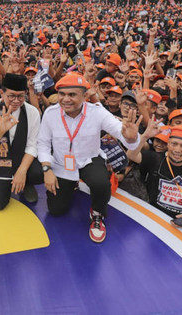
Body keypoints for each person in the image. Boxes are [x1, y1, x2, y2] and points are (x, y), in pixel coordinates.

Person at [37, 73, 141, 243]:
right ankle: (71, 184)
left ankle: (98, 214)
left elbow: (121, 133)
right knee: (56, 210)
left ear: (84, 96)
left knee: (101, 185)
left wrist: (129, 137)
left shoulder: (98, 113)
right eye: (62, 94)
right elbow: (42, 144)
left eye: (72, 95)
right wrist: (47, 169)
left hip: (89, 159)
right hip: (62, 163)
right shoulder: (51, 113)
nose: (66, 99)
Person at [127, 121, 182, 228]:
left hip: (180, 224)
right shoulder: (156, 158)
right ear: (168, 143)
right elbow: (131, 155)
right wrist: (145, 136)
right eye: (174, 144)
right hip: (152, 216)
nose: (177, 150)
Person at [0, 74, 42, 209]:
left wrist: (22, 171)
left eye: (20, 96)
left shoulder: (32, 113)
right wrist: (0, 131)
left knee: (39, 172)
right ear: (2, 93)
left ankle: (27, 182)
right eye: (11, 96)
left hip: (22, 160)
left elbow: (32, 145)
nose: (16, 100)